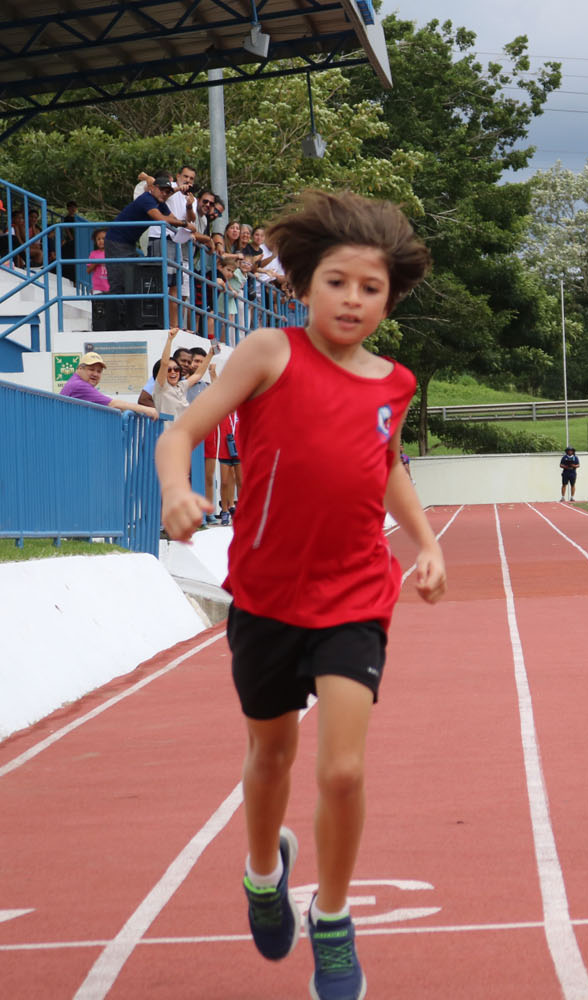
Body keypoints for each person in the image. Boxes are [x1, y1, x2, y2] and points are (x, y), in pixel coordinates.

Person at [155, 190, 443, 1000]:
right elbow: (180, 430)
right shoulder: (266, 354)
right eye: (337, 283)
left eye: (371, 288)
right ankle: (260, 870)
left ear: (391, 297)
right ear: (304, 285)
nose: (353, 300)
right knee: (272, 755)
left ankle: (337, 916)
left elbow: (384, 466)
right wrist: (178, 489)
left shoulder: (395, 383)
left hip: (355, 593)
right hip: (268, 596)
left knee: (344, 772)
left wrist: (425, 544)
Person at [104, 176, 185, 330]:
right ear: (152, 188)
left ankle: (128, 322)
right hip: (116, 241)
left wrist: (187, 228)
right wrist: (184, 224)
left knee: (133, 281)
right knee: (118, 282)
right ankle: (114, 326)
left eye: (168, 192)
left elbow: (171, 218)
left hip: (128, 244)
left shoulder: (158, 202)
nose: (164, 194)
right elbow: (160, 219)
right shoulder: (146, 199)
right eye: (162, 190)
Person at [59, 351, 159, 418]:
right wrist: (148, 410)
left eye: (99, 371)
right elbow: (113, 404)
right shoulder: (80, 385)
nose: (95, 374)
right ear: (80, 369)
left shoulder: (76, 382)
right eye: (91, 369)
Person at [150, 329, 207, 421]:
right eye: (169, 370)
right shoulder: (161, 387)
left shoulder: (181, 386)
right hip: (166, 434)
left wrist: (211, 354)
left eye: (176, 369)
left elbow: (198, 374)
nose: (173, 372)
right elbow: (164, 363)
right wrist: (169, 340)